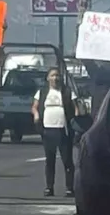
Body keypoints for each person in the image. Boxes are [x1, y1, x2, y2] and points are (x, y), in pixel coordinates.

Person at [31, 67, 76, 197]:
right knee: (49, 160)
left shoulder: (67, 91)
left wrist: (77, 123)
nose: (55, 78)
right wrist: (36, 115)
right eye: (52, 75)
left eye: (57, 76)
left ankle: (69, 187)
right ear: (47, 78)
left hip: (64, 130)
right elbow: (34, 107)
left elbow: (76, 109)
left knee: (67, 160)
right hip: (47, 130)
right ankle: (49, 187)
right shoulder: (42, 92)